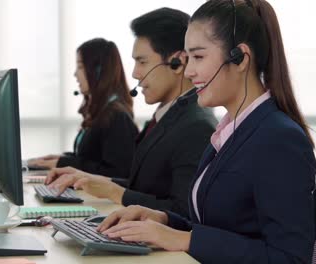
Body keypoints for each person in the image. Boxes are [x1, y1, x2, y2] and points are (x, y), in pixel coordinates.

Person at [97, 1, 316, 263]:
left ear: (240, 58)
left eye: (198, 57)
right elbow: (220, 227)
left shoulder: (279, 138)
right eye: (188, 58)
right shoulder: (229, 132)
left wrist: (185, 239)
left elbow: (291, 258)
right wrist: (164, 220)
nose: (189, 71)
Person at [45, 8, 217, 217]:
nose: (135, 73)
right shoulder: (167, 116)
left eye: (142, 61)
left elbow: (183, 212)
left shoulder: (196, 126)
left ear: (178, 62)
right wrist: (92, 180)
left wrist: (117, 193)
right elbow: (146, 187)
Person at [28, 38, 138, 179]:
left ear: (98, 71)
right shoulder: (102, 112)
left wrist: (62, 163)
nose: (75, 74)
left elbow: (117, 173)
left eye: (80, 67)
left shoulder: (117, 116)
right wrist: (59, 159)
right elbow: (92, 158)